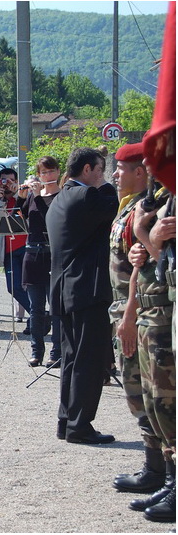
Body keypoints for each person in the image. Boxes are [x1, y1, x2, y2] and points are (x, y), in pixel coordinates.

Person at [106, 142, 166, 498]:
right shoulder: (130, 207)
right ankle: (154, 467)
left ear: (140, 172)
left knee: (151, 394)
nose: (115, 174)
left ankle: (160, 472)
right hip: (126, 309)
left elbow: (140, 270)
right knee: (136, 393)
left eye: (121, 168)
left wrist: (128, 315)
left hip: (142, 309)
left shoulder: (148, 209)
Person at [46, 147, 118, 444]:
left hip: (63, 290)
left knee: (71, 359)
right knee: (89, 360)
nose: (102, 176)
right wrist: (109, 184)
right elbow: (111, 204)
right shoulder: (87, 196)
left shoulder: (57, 201)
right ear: (86, 170)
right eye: (100, 170)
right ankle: (80, 425)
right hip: (87, 288)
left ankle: (66, 421)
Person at [130, 172, 176, 522]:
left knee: (166, 403)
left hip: (162, 312)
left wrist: (146, 236)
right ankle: (169, 476)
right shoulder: (157, 197)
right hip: (152, 309)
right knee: (154, 402)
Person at [21, 158, 62, 367]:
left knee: (55, 307)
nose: (47, 176)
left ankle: (56, 352)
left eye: (51, 171)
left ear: (58, 172)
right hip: (33, 256)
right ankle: (36, 351)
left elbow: (51, 220)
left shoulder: (61, 196)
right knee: (36, 309)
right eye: (43, 172)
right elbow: (26, 219)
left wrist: (36, 196)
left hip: (52, 256)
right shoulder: (33, 196)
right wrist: (21, 197)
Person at [0, 168, 32, 333]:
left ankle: (36, 318)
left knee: (28, 286)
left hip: (25, 247)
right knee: (13, 287)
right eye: (4, 180)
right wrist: (0, 197)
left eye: (11, 181)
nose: (8, 184)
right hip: (8, 250)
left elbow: (26, 210)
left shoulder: (24, 195)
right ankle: (39, 315)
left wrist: (17, 192)